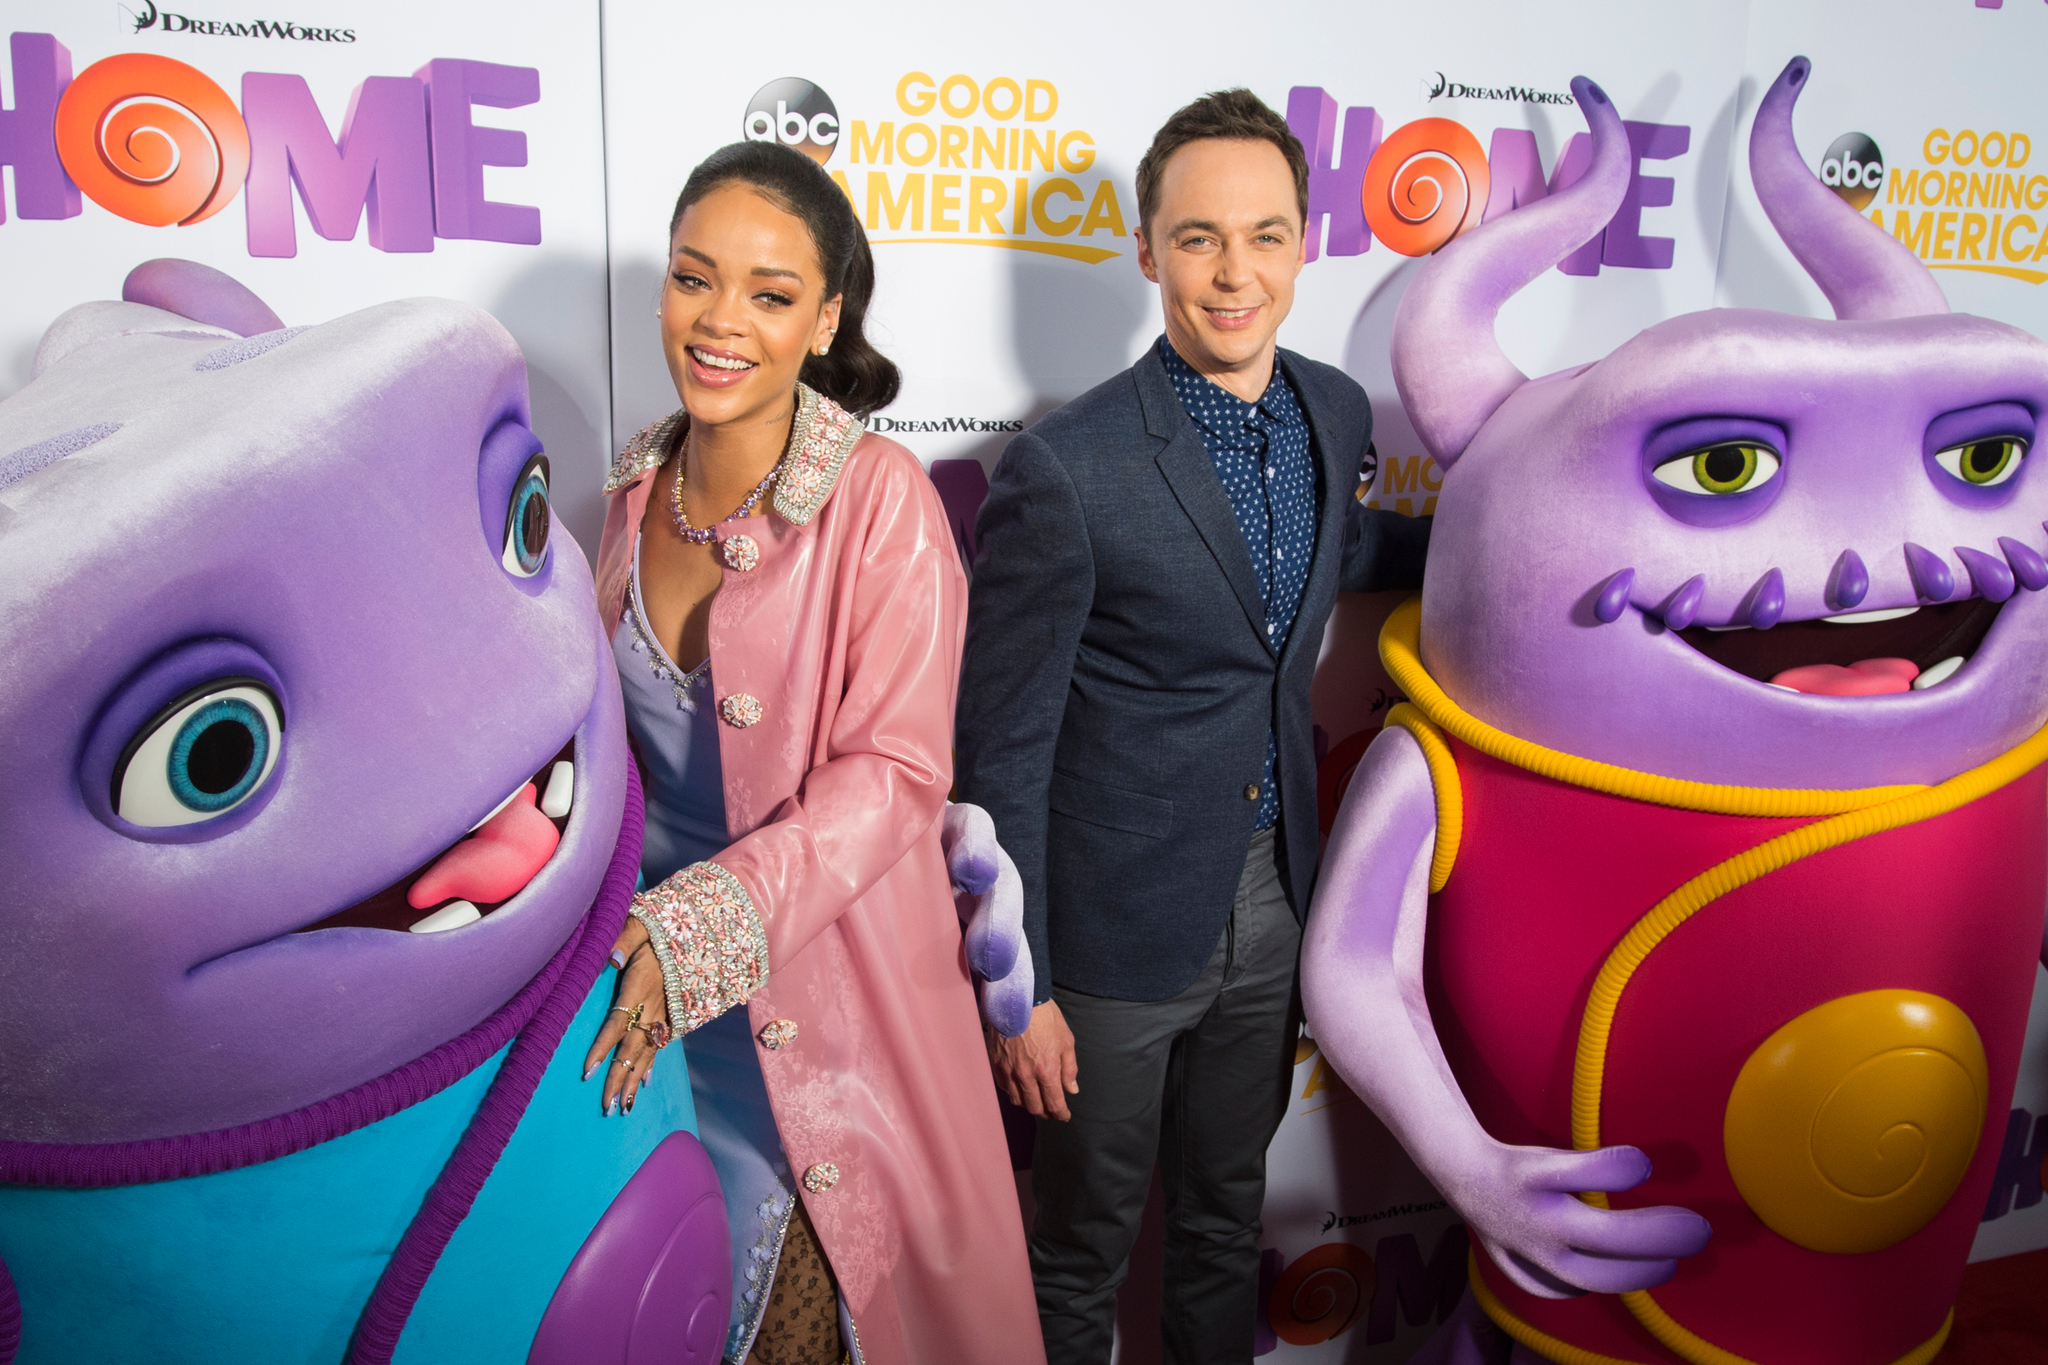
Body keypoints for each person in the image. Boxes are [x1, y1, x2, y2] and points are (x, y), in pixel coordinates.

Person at [954, 90, 1431, 1363]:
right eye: (1199, 237)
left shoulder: (1334, 412)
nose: (1234, 273)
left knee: (1223, 1224)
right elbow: (998, 751)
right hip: (1106, 941)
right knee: (1078, 1251)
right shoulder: (1069, 469)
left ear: (1302, 244)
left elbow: (1325, 562)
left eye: (1263, 235)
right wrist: (1024, 987)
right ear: (1146, 247)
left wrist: (1494, 552)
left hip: (1277, 903)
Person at [584, 140, 1044, 1365]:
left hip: (839, 1010)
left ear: (826, 315)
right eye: (693, 279)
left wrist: (706, 926)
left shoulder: (882, 500)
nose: (719, 322)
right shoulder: (630, 496)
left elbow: (896, 776)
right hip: (647, 1010)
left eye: (769, 294)